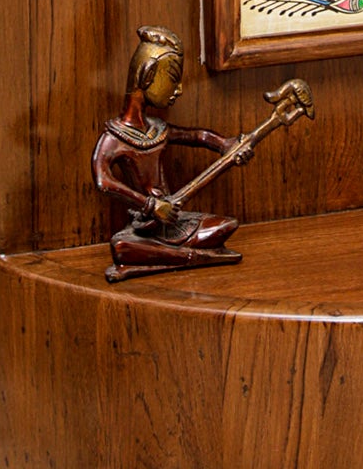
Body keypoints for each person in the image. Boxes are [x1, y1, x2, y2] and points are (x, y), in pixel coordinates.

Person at [92, 26, 253, 280]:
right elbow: (103, 181)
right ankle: (188, 257)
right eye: (172, 79)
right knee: (123, 247)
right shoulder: (114, 138)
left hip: (172, 221)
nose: (178, 89)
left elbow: (196, 136)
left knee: (226, 226)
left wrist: (225, 144)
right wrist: (150, 205)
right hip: (146, 226)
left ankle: (173, 254)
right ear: (147, 76)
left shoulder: (158, 129)